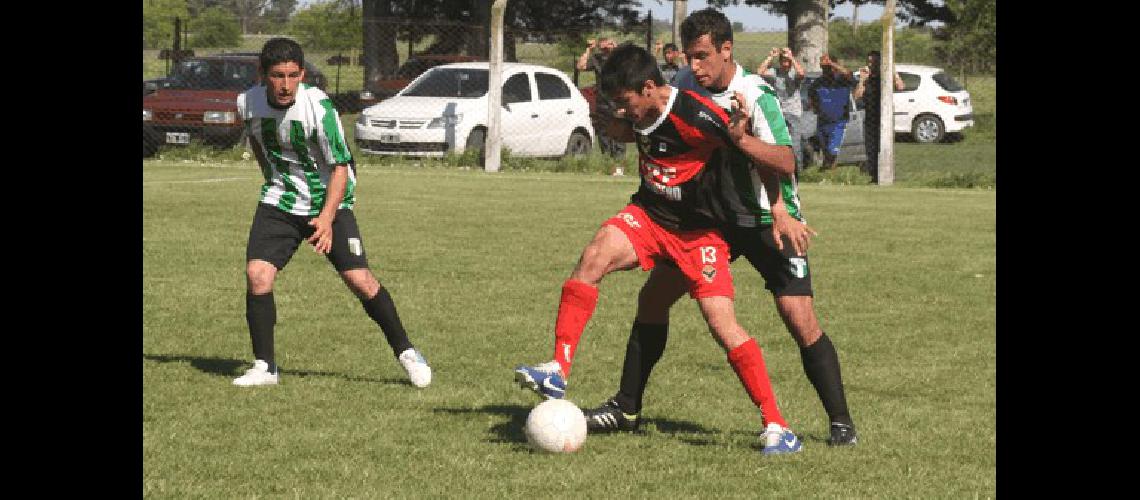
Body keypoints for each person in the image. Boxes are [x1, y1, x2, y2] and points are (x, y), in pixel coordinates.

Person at [582, 8, 859, 447]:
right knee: (653, 299)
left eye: (702, 56)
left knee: (799, 319)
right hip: (714, 225)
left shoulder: (756, 93)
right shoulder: (688, 88)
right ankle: (626, 406)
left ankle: (841, 423)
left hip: (772, 221)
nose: (693, 66)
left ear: (726, 50)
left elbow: (786, 160)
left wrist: (766, 182)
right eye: (689, 56)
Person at [514, 43, 805, 455]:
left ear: (649, 88)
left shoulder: (697, 115)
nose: (622, 109)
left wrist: (777, 207)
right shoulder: (638, 111)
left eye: (625, 102)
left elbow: (766, 159)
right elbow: (634, 133)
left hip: (700, 234)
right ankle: (558, 369)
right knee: (594, 255)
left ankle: (777, 425)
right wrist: (610, 121)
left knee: (722, 324)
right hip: (650, 216)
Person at [231, 38, 431, 389]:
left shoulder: (318, 108)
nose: (286, 84)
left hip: (330, 201)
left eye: (294, 75)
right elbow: (263, 149)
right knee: (258, 274)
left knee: (360, 281)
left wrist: (325, 219)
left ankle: (408, 352)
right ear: (263, 75)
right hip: (281, 201)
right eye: (278, 76)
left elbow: (340, 167)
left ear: (303, 74)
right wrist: (276, 184)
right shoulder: (247, 103)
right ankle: (265, 367)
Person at [853, 50, 906, 183]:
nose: (871, 65)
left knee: (883, 146)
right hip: (870, 117)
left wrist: (894, 73)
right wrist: (862, 81)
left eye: (874, 62)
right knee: (871, 147)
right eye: (869, 62)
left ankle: (886, 174)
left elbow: (900, 86)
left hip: (884, 118)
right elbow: (857, 96)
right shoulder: (866, 79)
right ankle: (873, 175)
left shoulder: (885, 77)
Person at [577, 37, 627, 175]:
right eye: (603, 47)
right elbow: (580, 66)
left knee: (618, 137)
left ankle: (619, 169)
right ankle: (608, 168)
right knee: (604, 138)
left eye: (609, 46)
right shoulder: (597, 59)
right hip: (602, 103)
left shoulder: (620, 59)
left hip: (618, 103)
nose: (606, 49)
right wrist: (588, 49)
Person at [757, 46, 806, 175]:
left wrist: (791, 57)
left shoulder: (793, 73)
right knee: (778, 143)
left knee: (795, 145)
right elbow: (760, 72)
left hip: (794, 113)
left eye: (787, 61)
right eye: (783, 61)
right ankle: (780, 170)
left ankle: (797, 172)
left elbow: (801, 73)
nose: (785, 64)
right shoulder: (775, 72)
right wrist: (771, 56)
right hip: (780, 111)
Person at [806, 53, 855, 170]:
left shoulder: (842, 80)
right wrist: (815, 109)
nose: (825, 70)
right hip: (823, 121)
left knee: (833, 150)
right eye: (823, 68)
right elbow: (811, 97)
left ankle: (829, 170)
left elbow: (849, 74)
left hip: (839, 121)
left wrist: (832, 63)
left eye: (828, 68)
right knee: (826, 151)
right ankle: (829, 173)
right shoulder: (817, 83)